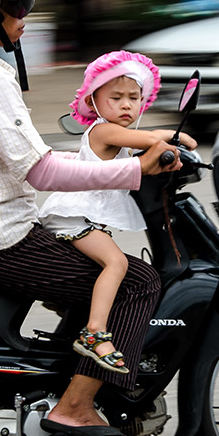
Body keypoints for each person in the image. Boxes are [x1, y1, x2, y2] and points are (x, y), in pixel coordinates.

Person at [0, 0, 181, 436]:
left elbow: (18, 151)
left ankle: (60, 386)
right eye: (17, 6)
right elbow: (41, 170)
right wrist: (133, 169)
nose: (26, 15)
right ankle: (76, 407)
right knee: (137, 282)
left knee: (95, 280)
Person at [38, 51, 197, 375]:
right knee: (117, 263)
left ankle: (73, 306)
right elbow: (149, 138)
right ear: (94, 102)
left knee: (108, 263)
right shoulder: (103, 131)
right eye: (116, 97)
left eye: (134, 98)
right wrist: (178, 140)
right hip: (73, 216)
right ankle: (94, 333)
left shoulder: (115, 133)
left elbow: (144, 144)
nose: (126, 105)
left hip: (82, 216)